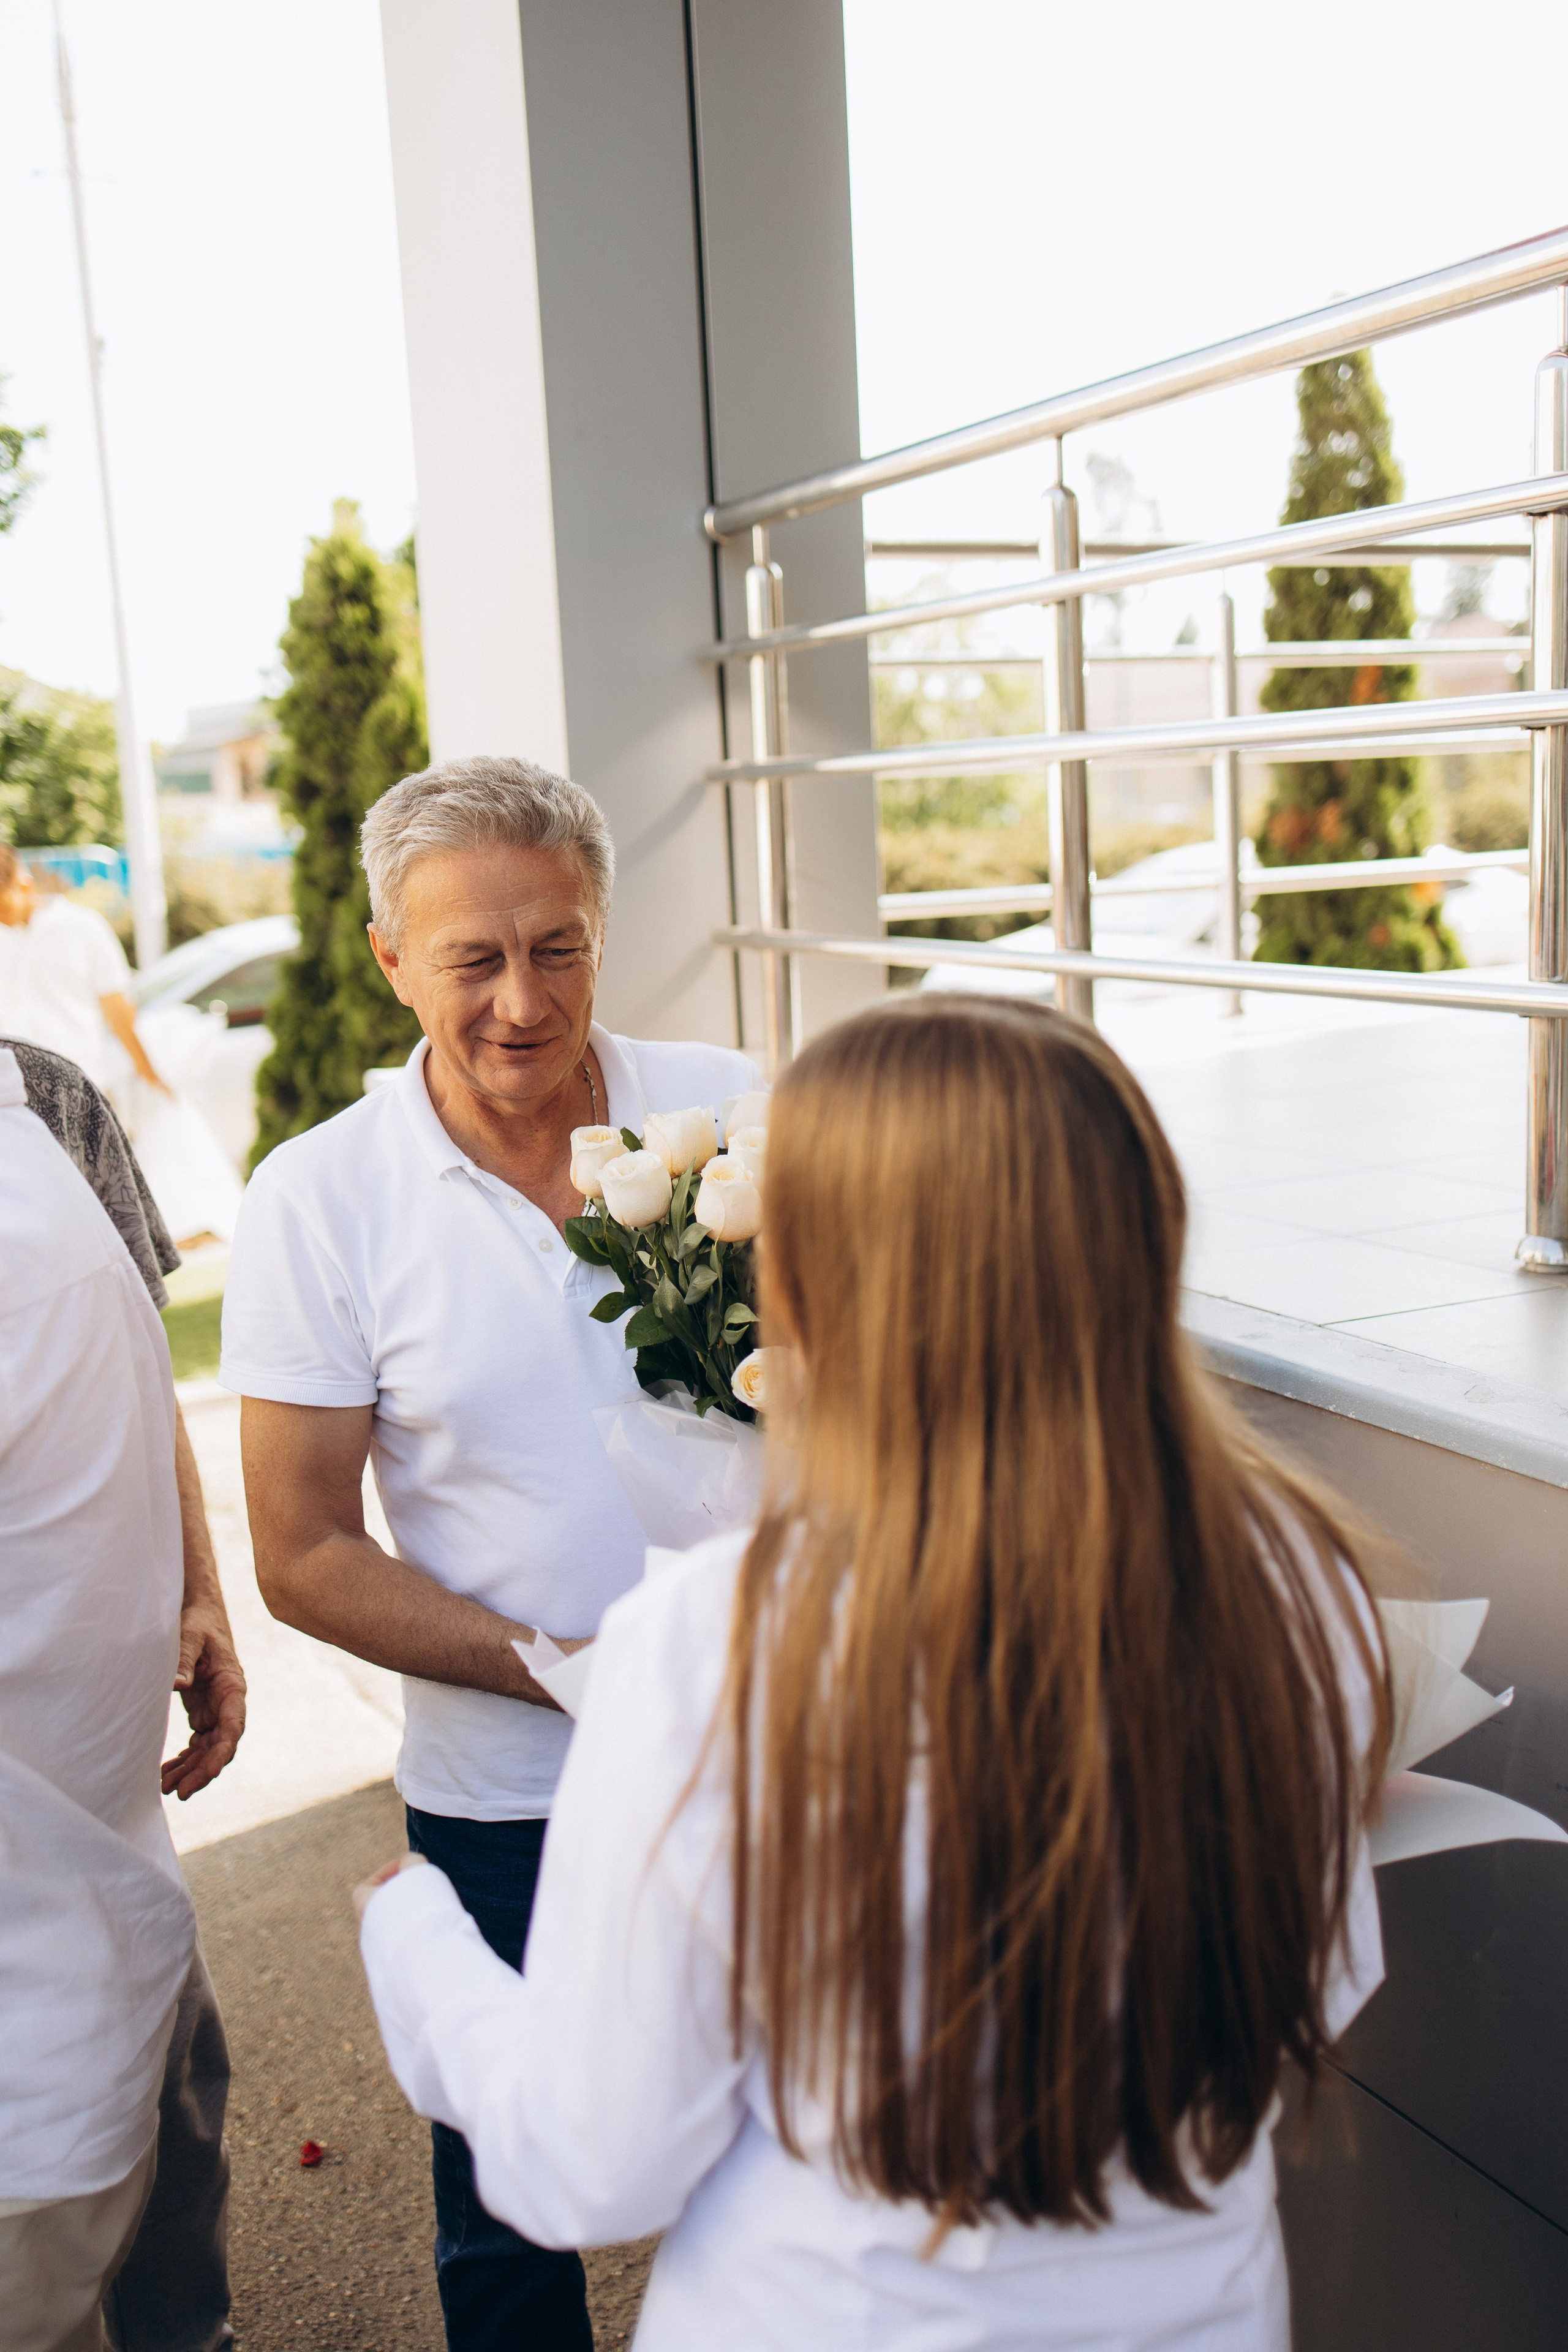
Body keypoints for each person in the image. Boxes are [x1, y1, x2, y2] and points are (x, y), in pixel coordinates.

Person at [356, 995, 1395, 2352]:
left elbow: (589, 2163)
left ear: (818, 1277)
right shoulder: (1299, 1585)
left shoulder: (724, 1638)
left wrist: (417, 1945)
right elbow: (1321, 1980)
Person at [220, 755, 761, 2352]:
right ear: (392, 957)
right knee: (515, 2211)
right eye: (476, 958)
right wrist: (565, 1675)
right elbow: (304, 1548)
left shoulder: (733, 1104)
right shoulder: (319, 1198)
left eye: (561, 947)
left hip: (765, 1760)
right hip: (509, 1797)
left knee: (791, 2151)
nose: (526, 1002)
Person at [2, 1036, 246, 2352]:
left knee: (177, 2132)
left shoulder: (43, 1097)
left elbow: (140, 1370)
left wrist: (197, 1592)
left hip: (113, 1817)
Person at [0, 846, 168, 1099]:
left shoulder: (83, 928)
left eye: (3, 906)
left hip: (82, 1089)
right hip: (13, 1096)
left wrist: (148, 1071)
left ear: (26, 886)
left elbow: (118, 1009)